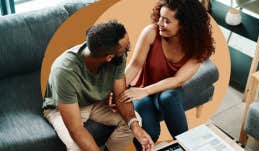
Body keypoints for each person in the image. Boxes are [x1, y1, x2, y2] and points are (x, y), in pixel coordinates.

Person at [42, 20, 154, 151]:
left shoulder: (117, 58)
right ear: (109, 57)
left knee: (135, 122)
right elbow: (76, 129)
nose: (128, 49)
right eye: (125, 47)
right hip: (63, 109)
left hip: (96, 102)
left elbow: (120, 95)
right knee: (76, 147)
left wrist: (136, 128)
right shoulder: (64, 71)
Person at [117, 0, 215, 150]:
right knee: (151, 133)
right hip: (141, 89)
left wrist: (146, 91)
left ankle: (186, 145)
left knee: (168, 97)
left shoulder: (197, 47)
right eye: (160, 17)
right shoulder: (151, 32)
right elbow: (135, 66)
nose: (160, 23)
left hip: (168, 90)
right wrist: (118, 91)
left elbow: (178, 80)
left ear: (184, 25)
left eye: (167, 21)